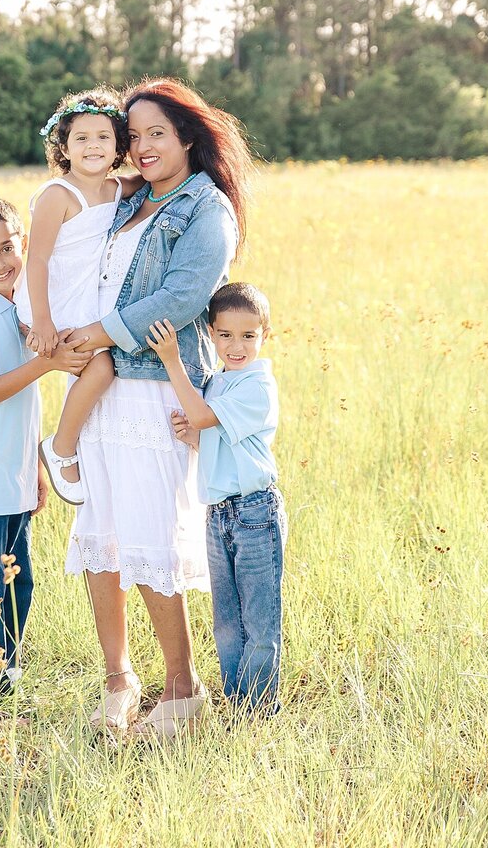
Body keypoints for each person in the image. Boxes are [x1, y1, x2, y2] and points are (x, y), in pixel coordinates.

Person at [62, 78, 253, 738]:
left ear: (189, 138)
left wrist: (99, 332)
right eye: (134, 135)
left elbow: (181, 297)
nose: (140, 147)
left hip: (152, 393)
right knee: (105, 540)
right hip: (99, 385)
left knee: (149, 539)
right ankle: (119, 681)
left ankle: (183, 689)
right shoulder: (132, 198)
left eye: (156, 135)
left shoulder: (207, 209)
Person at [0, 198, 92, 709]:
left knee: (16, 584)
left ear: (23, 243)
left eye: (7, 248)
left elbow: (24, 406)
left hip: (14, 476)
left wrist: (36, 471)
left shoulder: (25, 309)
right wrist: (47, 362)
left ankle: (1, 682)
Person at [147, 282, 287, 713]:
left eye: (248, 335)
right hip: (219, 515)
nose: (236, 345)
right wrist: (195, 439)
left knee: (258, 620)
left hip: (254, 513)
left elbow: (205, 416)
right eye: (225, 335)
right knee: (226, 620)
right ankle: (236, 700)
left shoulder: (257, 386)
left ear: (266, 333)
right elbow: (217, 439)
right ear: (210, 333)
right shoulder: (219, 383)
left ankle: (259, 708)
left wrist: (172, 362)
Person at [15, 89, 140, 505]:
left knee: (98, 364)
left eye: (104, 137)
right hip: (53, 298)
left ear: (119, 146)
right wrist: (44, 322)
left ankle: (74, 444)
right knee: (101, 366)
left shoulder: (117, 188)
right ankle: (60, 446)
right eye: (81, 138)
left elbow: (154, 177)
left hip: (86, 298)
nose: (93, 146)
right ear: (64, 147)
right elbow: (37, 262)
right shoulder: (58, 195)